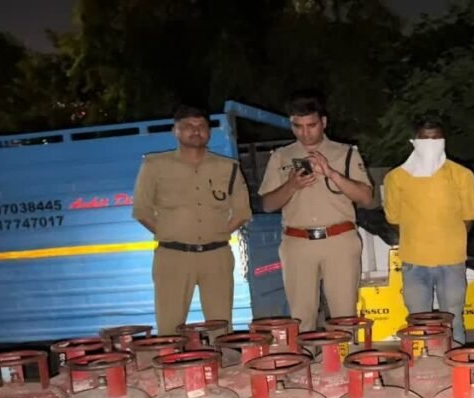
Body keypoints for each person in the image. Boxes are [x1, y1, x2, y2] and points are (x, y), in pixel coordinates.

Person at [257, 89, 374, 332]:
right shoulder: (281, 157)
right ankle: (306, 356)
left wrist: (332, 173)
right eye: (297, 126)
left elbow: (366, 198)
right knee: (301, 317)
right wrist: (291, 185)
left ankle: (345, 356)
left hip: (339, 240)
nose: (305, 133)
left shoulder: (346, 153)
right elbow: (267, 205)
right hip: (297, 242)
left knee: (344, 316)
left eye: (311, 125)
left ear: (324, 122)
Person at [132, 105, 251, 335]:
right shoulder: (154, 166)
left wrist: (216, 235)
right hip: (173, 257)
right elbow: (142, 211)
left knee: (221, 326)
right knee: (169, 327)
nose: (195, 131)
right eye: (187, 126)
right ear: (174, 131)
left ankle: (221, 358)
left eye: (201, 126)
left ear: (209, 132)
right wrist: (172, 233)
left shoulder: (228, 168)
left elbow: (242, 213)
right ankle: (170, 359)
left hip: (216, 256)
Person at [383, 114, 474, 343]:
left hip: (451, 260)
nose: (430, 144)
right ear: (414, 141)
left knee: (453, 319)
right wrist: (418, 237)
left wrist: (447, 239)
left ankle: (455, 361)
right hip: (414, 261)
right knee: (418, 322)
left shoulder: (462, 175)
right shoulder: (396, 178)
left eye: (436, 139)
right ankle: (423, 363)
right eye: (425, 139)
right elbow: (393, 218)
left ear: (444, 141)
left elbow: (468, 218)